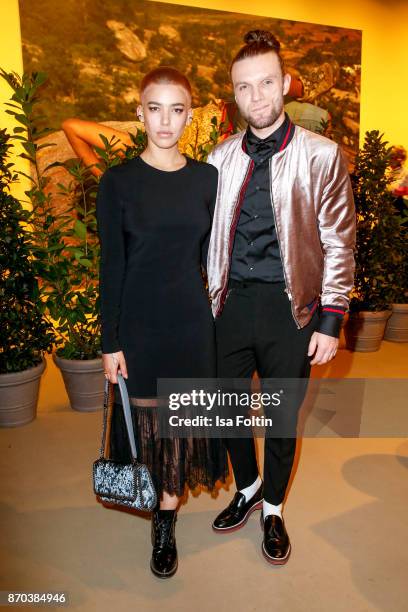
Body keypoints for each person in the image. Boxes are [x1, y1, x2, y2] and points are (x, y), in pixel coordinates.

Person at [206, 31, 356, 565]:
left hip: (291, 310)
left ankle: (273, 507)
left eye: (267, 82)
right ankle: (246, 488)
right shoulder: (218, 158)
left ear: (286, 83)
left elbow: (339, 240)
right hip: (228, 306)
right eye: (245, 87)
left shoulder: (321, 156)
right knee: (223, 409)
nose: (258, 96)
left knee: (282, 417)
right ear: (233, 94)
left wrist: (331, 321)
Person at [95, 66, 228, 578]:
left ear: (190, 115)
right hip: (141, 328)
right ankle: (158, 509)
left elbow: (216, 255)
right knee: (147, 429)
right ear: (140, 111)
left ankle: (166, 518)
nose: (165, 121)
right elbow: (112, 266)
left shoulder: (206, 179)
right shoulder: (119, 182)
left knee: (179, 427)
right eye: (155, 108)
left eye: (177, 109)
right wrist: (110, 341)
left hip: (192, 325)